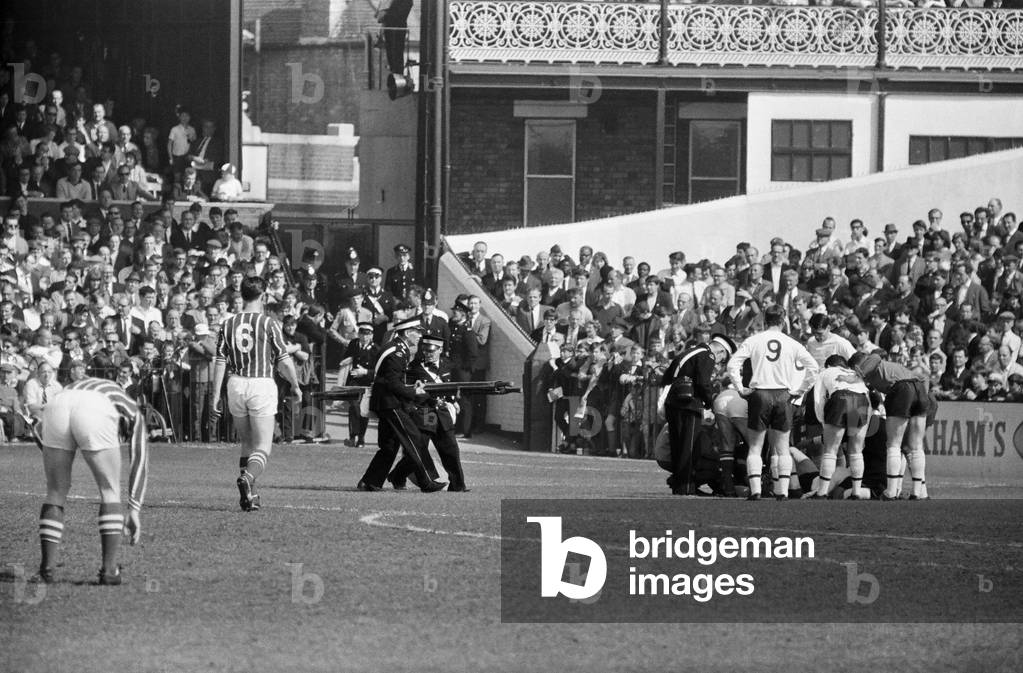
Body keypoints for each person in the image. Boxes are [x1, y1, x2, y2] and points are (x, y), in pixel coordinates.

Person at [34, 376, 148, 585]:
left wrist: (58, 455)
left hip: (56, 404)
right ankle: (109, 570)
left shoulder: (75, 387)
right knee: (109, 490)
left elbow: (38, 430)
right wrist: (134, 508)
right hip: (95, 407)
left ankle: (46, 568)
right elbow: (139, 455)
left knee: (55, 491)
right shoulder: (131, 408)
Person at [210, 276, 302, 512]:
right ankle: (248, 479)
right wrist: (295, 384)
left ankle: (251, 495)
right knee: (263, 447)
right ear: (262, 296)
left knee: (247, 443)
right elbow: (284, 360)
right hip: (261, 383)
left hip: (236, 384)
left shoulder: (227, 324)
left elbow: (220, 361)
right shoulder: (269, 323)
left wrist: (214, 397)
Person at [727, 304, 820, 500]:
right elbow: (813, 368)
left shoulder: (754, 340)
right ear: (783, 319)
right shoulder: (792, 343)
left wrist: (740, 387)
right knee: (782, 447)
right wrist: (800, 390)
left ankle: (755, 491)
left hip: (760, 394)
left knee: (755, 446)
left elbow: (732, 364)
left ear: (764, 320)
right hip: (782, 395)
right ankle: (782, 492)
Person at [357, 316, 445, 493]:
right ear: (407, 333)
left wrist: (412, 387)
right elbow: (393, 383)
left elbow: (392, 380)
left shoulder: (398, 348)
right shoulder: (397, 352)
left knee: (389, 446)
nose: (420, 336)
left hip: (387, 402)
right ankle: (426, 482)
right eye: (417, 332)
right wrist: (414, 392)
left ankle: (370, 482)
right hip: (391, 403)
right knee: (414, 439)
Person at [387, 335, 469, 491]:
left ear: (440, 350)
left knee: (450, 449)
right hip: (426, 412)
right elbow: (410, 391)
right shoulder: (413, 368)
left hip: (443, 412)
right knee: (419, 448)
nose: (428, 354)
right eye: (425, 350)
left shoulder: (448, 366)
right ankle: (398, 475)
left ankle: (458, 485)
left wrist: (454, 400)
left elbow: (453, 387)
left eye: (431, 351)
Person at [850, 351, 935, 500]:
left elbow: (875, 357)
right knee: (914, 446)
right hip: (920, 390)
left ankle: (890, 492)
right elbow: (924, 378)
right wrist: (924, 400)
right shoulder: (892, 369)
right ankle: (918, 493)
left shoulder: (870, 363)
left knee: (893, 444)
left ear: (858, 365)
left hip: (902, 390)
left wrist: (858, 374)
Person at [660, 333, 736, 495]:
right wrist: (711, 402)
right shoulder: (706, 355)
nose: (718, 363)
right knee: (689, 446)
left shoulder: (689, 351)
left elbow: (667, 377)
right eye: (722, 359)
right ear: (721, 352)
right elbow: (703, 383)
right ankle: (687, 486)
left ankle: (679, 485)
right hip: (689, 405)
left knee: (677, 445)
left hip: (673, 401)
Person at [810, 355, 871, 499]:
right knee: (856, 451)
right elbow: (867, 398)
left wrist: (824, 422)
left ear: (828, 365)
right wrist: (865, 426)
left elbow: (818, 399)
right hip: (861, 400)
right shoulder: (853, 373)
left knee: (831, 449)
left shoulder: (825, 372)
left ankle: (822, 492)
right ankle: (856, 492)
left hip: (840, 398)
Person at [342, 322, 379, 447]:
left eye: (367, 335)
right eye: (362, 334)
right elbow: (346, 358)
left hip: (366, 382)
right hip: (353, 381)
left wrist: (365, 372)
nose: (364, 337)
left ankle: (361, 438)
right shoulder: (354, 344)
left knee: (363, 410)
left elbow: (378, 370)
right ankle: (352, 436)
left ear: (372, 336)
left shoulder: (375, 349)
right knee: (353, 407)